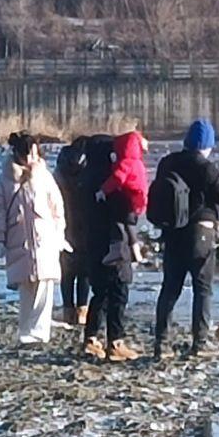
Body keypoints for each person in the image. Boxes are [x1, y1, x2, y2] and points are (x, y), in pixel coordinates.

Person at [151, 118, 219, 358]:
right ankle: (199, 342)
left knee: (170, 288)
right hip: (200, 233)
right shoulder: (206, 167)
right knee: (202, 289)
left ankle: (161, 343)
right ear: (207, 145)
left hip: (172, 231)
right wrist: (217, 175)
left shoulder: (167, 163)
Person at [0, 131, 68, 346]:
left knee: (45, 286)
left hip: (45, 241)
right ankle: (26, 331)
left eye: (35, 154)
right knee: (27, 288)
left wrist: (60, 232)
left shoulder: (44, 176)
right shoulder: (5, 181)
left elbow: (56, 205)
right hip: (19, 241)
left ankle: (40, 333)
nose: (32, 159)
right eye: (28, 154)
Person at [81, 130, 148, 361]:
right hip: (115, 242)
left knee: (99, 292)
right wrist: (134, 241)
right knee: (119, 291)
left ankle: (91, 338)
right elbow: (124, 215)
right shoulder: (111, 182)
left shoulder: (86, 178)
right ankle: (115, 342)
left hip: (91, 240)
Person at [53, 135, 98, 326]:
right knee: (84, 270)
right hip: (85, 222)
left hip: (64, 222)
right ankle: (82, 309)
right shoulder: (88, 168)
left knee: (67, 270)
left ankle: (67, 309)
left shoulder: (60, 168)